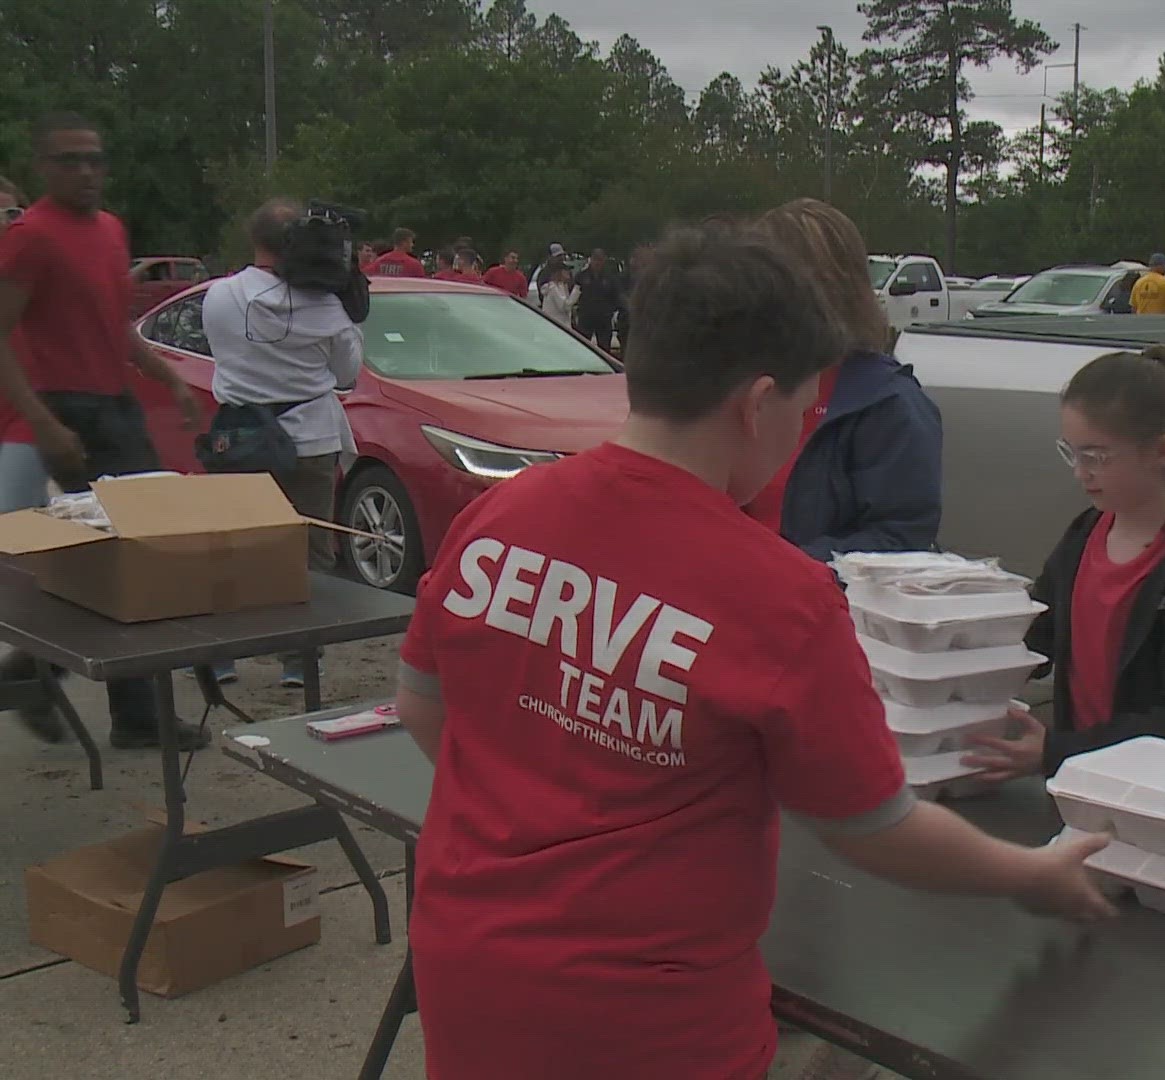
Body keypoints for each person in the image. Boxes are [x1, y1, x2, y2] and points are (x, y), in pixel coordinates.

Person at [394, 222, 1114, 1080]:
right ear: (756, 403)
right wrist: (1026, 875)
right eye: (806, 410)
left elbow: (422, 704)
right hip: (653, 1024)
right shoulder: (781, 597)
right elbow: (879, 831)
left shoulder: (500, 515)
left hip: (468, 968)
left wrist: (542, 793)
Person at [0, 113, 209, 749]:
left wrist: (169, 380)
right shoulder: (30, 236)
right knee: (123, 554)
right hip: (68, 411)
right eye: (71, 161)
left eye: (95, 158)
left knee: (132, 553)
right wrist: (42, 420)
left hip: (115, 404)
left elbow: (114, 326)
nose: (87, 171)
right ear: (44, 167)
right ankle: (131, 713)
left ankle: (35, 676)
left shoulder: (111, 229)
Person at [963, 345, 1165, 781]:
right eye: (1071, 452)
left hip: (1160, 797)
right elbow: (1037, 634)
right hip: (1085, 785)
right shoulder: (1086, 533)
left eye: (1096, 457)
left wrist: (1054, 751)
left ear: (1164, 450)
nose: (1080, 471)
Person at [200, 198, 364, 688]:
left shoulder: (220, 296)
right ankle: (299, 660)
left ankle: (222, 656)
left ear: (255, 240)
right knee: (310, 549)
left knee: (233, 548)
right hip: (310, 439)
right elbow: (347, 375)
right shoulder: (329, 306)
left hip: (240, 436)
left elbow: (224, 351)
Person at [748, 198, 943, 559]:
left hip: (815, 600)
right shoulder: (744, 382)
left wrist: (779, 566)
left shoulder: (889, 405)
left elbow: (901, 541)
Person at [573, 247, 623, 349]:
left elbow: (616, 296)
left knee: (604, 348)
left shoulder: (610, 277)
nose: (597, 262)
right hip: (586, 317)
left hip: (603, 319)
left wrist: (610, 311)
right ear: (591, 259)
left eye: (600, 259)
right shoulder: (582, 276)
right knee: (583, 346)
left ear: (604, 260)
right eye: (595, 259)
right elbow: (574, 295)